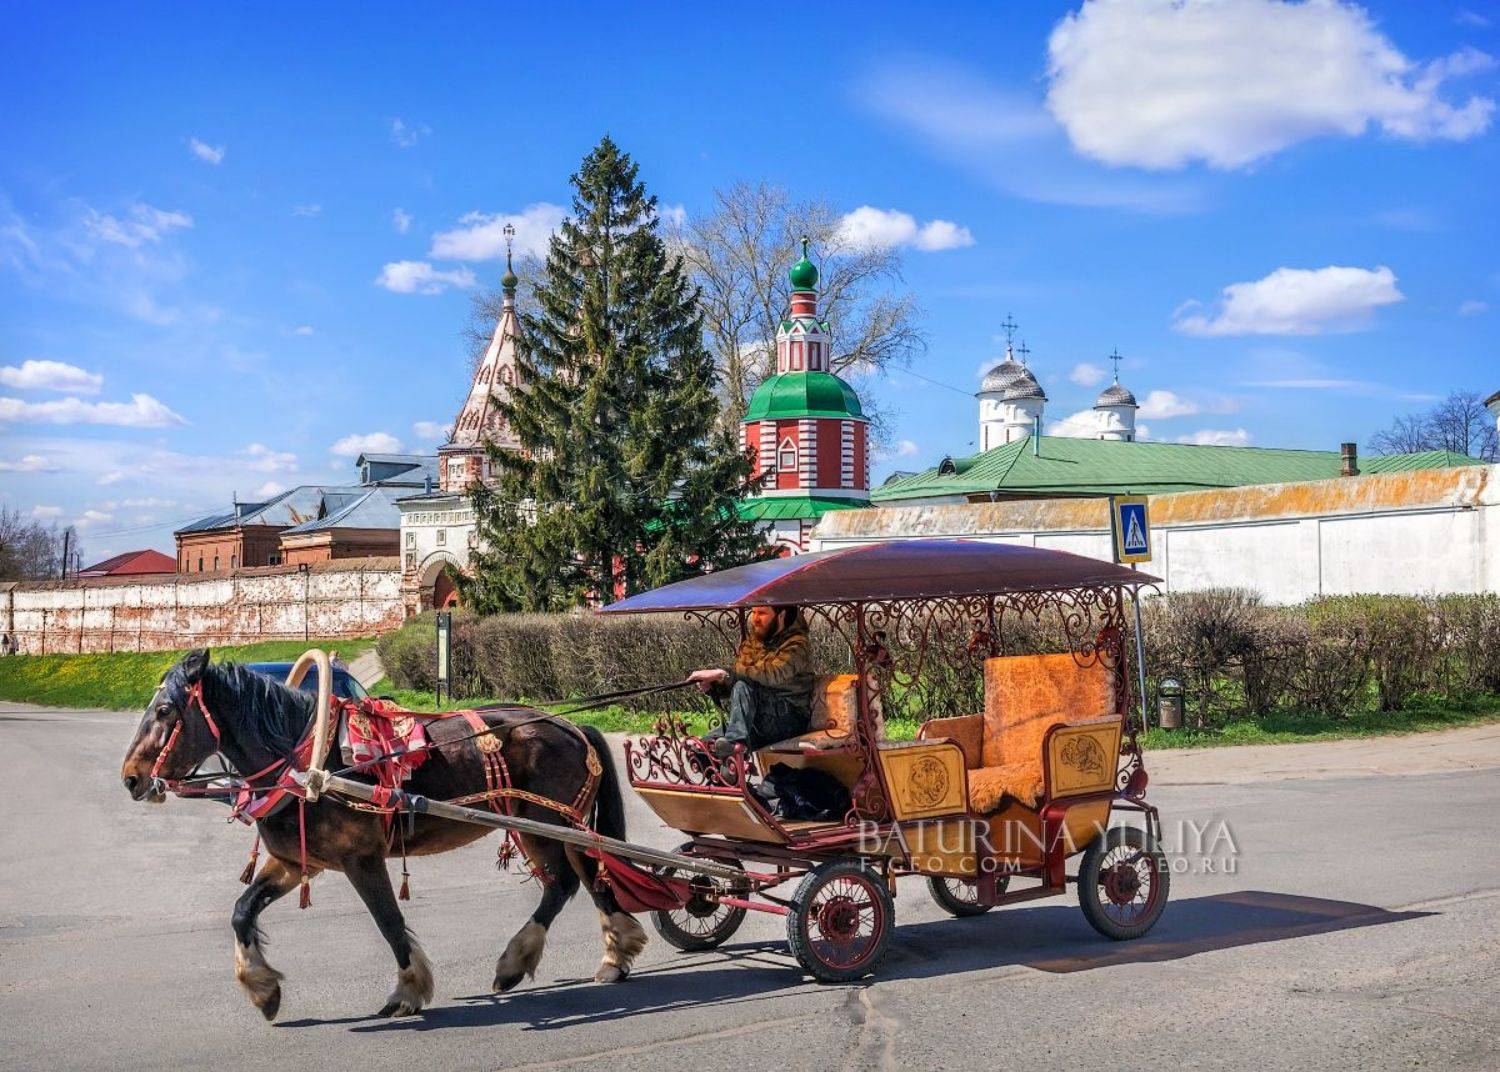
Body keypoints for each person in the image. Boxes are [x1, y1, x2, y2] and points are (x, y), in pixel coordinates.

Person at [688, 604, 813, 758]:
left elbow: (772, 675)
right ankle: (730, 766)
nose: (755, 619)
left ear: (781, 615)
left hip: (790, 720)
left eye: (761, 613)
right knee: (702, 749)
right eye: (753, 613)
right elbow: (738, 679)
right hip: (755, 721)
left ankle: (734, 745)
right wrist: (715, 686)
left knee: (742, 686)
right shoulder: (753, 643)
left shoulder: (797, 644)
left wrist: (724, 674)